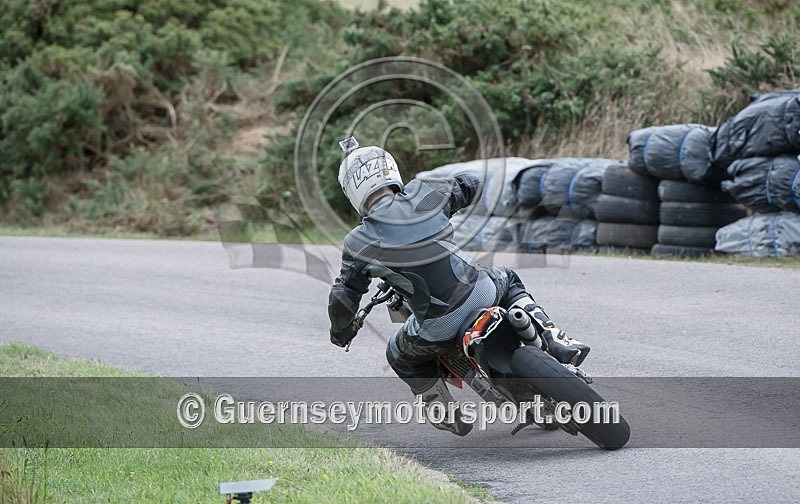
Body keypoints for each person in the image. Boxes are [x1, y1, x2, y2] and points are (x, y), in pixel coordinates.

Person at [327, 140, 589, 436]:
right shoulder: (424, 192)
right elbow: (471, 184)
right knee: (508, 278)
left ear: (352, 192)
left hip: (440, 326)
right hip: (483, 292)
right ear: (390, 170)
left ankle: (446, 413)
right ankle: (554, 338)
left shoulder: (358, 242)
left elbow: (342, 298)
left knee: (398, 355)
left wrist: (341, 332)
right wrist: (448, 207)